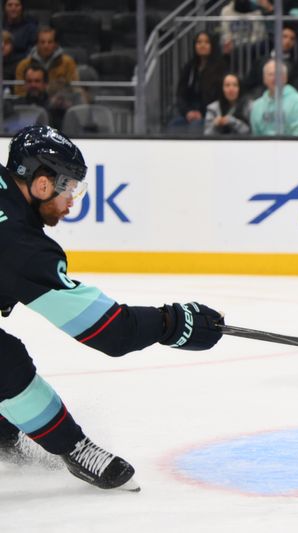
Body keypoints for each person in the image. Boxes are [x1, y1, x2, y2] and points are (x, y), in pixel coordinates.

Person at [0, 126, 224, 491]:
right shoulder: (23, 250)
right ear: (41, 185)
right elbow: (110, 332)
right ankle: (74, 448)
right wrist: (173, 322)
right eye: (69, 187)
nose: (72, 199)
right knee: (5, 363)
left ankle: (7, 438)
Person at [170, 31, 226, 134]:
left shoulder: (219, 67)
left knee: (195, 126)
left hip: (209, 113)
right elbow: (181, 94)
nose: (202, 45)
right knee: (175, 124)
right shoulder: (190, 67)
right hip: (190, 112)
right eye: (199, 42)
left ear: (212, 45)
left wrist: (201, 112)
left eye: (206, 42)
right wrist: (187, 112)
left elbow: (216, 97)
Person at [249, 58, 298, 136]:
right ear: (264, 79)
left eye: (278, 74)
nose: (275, 78)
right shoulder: (257, 106)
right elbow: (256, 138)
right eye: (271, 74)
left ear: (285, 78)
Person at [14, 27, 78, 97]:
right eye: (42, 42)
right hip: (31, 103)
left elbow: (74, 89)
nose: (46, 46)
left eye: (50, 42)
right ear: (37, 44)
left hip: (59, 104)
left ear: (56, 44)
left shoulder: (68, 63)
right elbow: (19, 92)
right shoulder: (23, 65)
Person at [2, 0, 37, 69]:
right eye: (10, 5)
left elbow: (32, 51)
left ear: (22, 8)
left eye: (17, 5)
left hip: (20, 65)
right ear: (4, 8)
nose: (13, 8)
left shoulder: (30, 28)